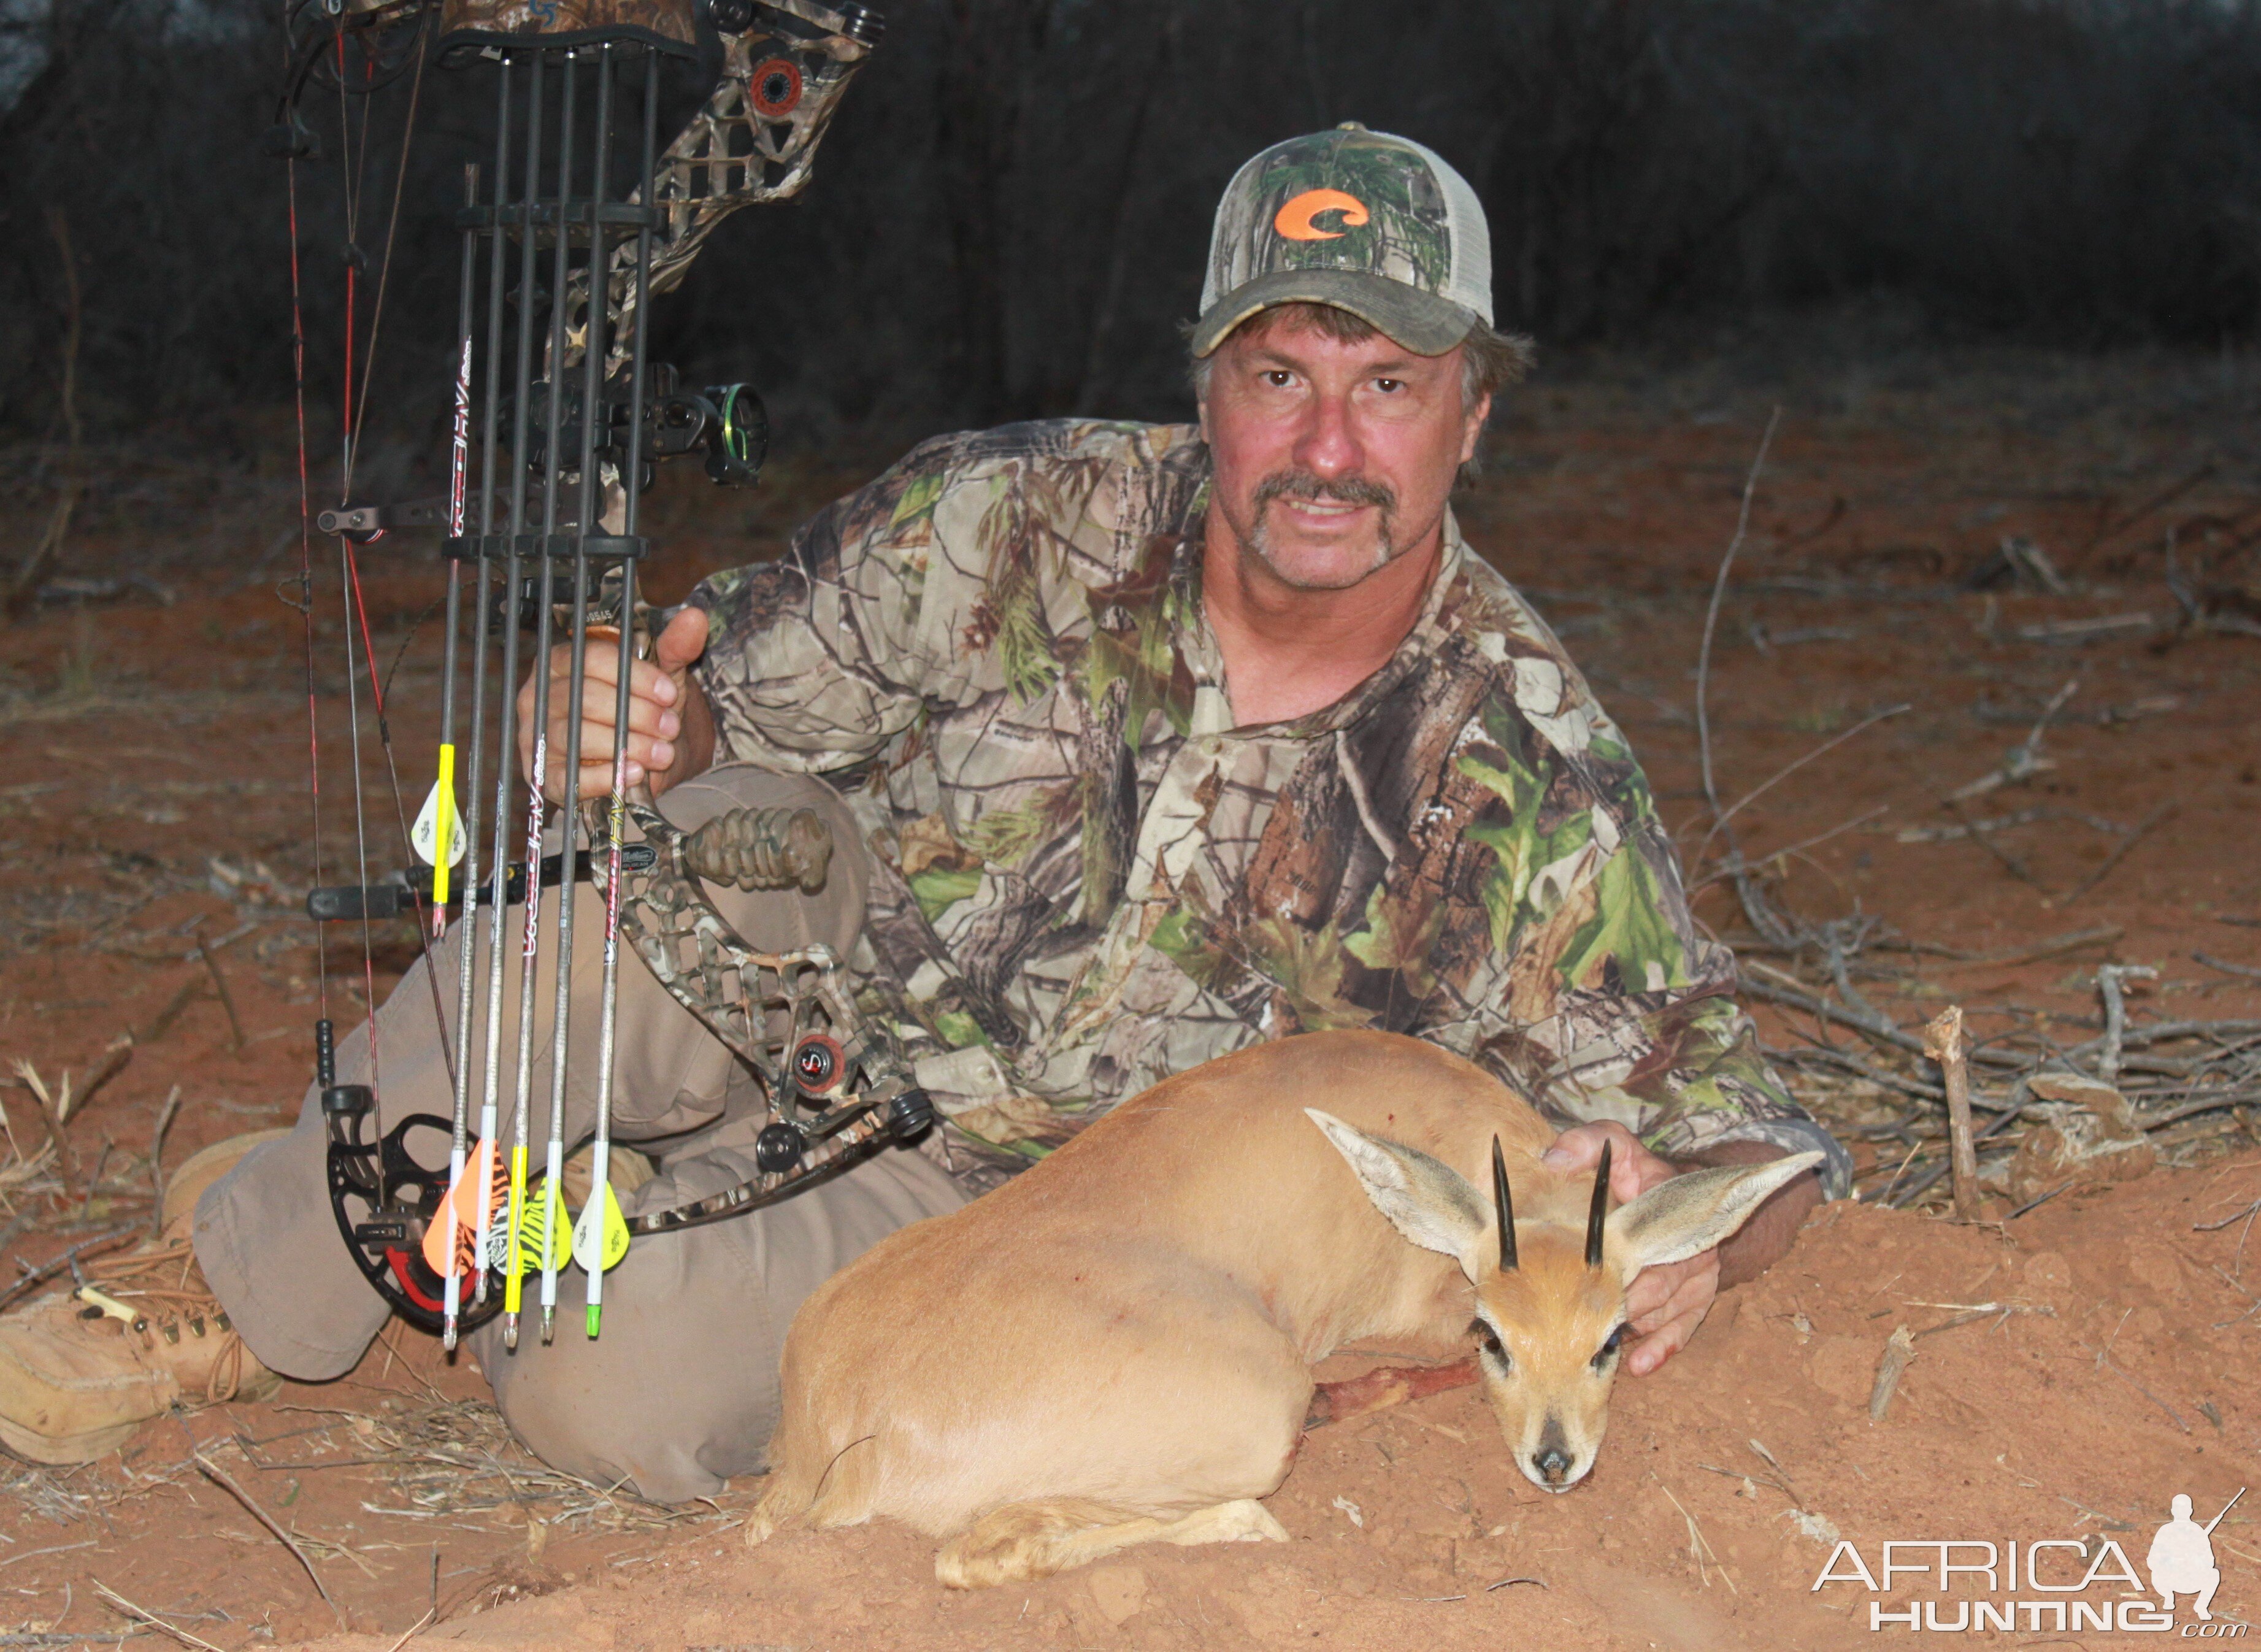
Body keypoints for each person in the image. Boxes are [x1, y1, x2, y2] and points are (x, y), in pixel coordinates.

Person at [0, 125, 1848, 1493]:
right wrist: (638, 712)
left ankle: (555, 1207)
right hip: (815, 995)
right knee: (572, 939)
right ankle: (237, 1276)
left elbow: (1737, 1128)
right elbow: (732, 694)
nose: (1324, 446)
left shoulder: (1528, 762)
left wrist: (1690, 1250)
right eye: (1277, 377)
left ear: (1470, 416)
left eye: (1386, 386)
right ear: (1205, 386)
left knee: (595, 1390)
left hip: (1036, 1229)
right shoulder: (1012, 513)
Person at [2148, 1493, 2223, 1619]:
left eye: (2184, 1508)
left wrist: (2194, 1560)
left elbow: (2209, 1561)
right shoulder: (2165, 1531)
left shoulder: (2198, 1531)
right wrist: (2170, 1561)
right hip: (2170, 1578)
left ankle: (2201, 1606)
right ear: (2172, 1510)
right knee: (2156, 1574)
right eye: (2178, 1508)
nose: (2181, 1511)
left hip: (2191, 1579)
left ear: (2190, 1511)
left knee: (2214, 1574)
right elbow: (2152, 1560)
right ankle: (2168, 1597)